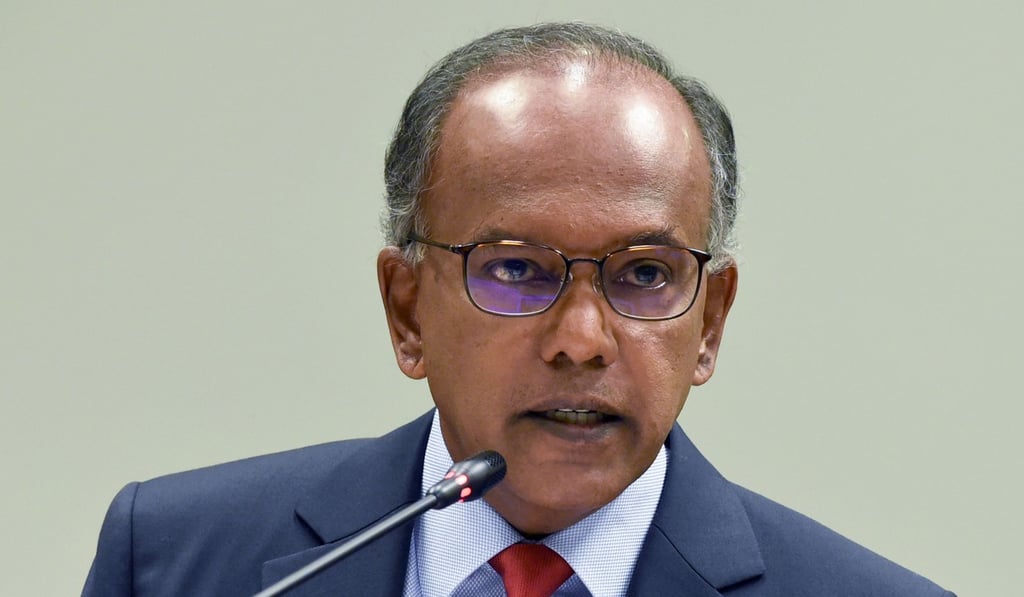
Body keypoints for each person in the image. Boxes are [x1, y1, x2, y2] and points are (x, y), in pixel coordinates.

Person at [83, 23, 955, 596]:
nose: (581, 340)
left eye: (645, 275)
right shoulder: (174, 561)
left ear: (711, 321)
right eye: (516, 270)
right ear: (407, 310)